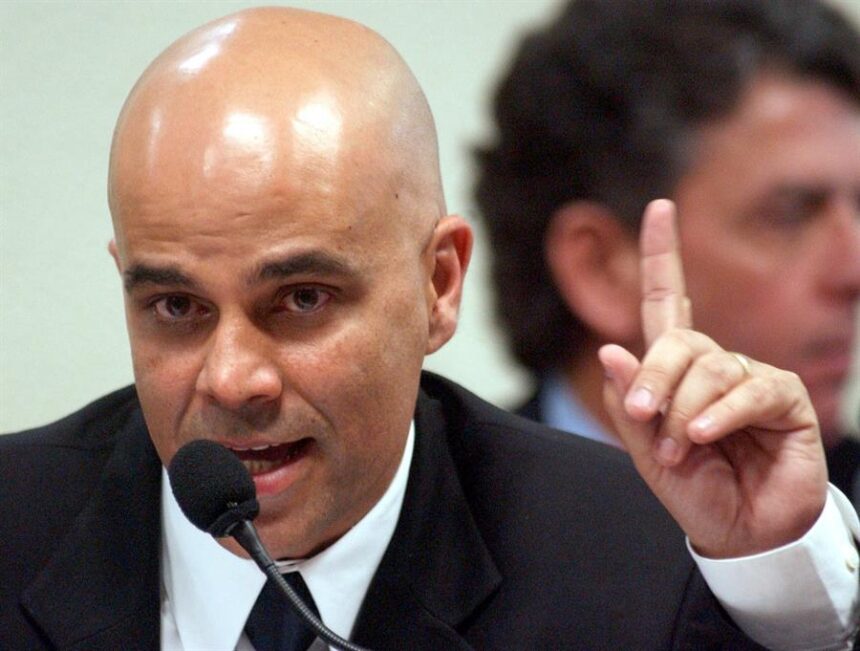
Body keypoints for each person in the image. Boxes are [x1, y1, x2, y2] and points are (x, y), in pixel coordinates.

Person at [0, 6, 857, 650]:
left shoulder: (640, 566)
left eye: (302, 298)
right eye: (176, 307)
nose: (232, 378)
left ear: (438, 285)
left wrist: (778, 586)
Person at [475, 0, 860, 497]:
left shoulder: (841, 520)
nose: (852, 271)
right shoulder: (440, 522)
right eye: (789, 214)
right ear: (602, 269)